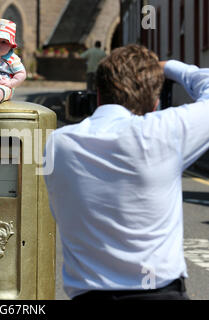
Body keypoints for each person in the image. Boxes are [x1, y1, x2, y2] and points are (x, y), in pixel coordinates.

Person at [43, 44, 209, 300]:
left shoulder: (57, 144)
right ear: (154, 103)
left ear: (98, 95)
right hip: (161, 293)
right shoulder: (162, 133)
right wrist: (172, 68)